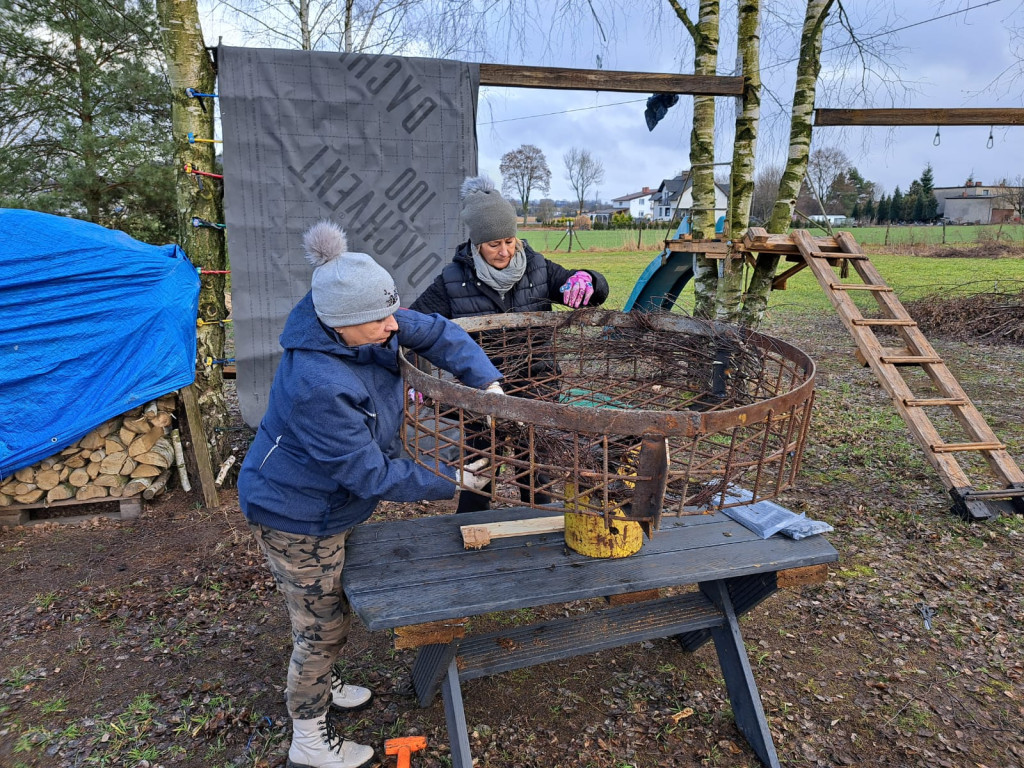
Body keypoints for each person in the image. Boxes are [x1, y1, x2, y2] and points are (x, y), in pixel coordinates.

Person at [237, 220, 501, 768]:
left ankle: (322, 683)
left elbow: (439, 333)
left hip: (332, 502)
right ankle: (308, 738)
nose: (391, 326)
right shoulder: (316, 383)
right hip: (295, 512)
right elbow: (372, 474)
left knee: (329, 610)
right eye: (379, 321)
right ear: (338, 324)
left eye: (391, 313)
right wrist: (455, 480)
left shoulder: (369, 319)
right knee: (321, 628)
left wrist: (488, 384)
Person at [409, 175, 610, 513]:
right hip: (481, 391)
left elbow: (588, 292)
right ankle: (470, 528)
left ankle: (538, 530)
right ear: (476, 243)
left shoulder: (538, 268)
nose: (504, 251)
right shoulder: (452, 281)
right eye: (493, 244)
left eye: (509, 240)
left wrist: (589, 280)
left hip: (538, 385)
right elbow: (416, 324)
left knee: (537, 470)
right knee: (480, 468)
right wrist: (416, 374)